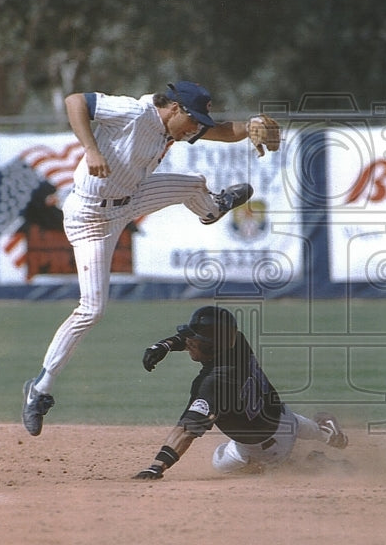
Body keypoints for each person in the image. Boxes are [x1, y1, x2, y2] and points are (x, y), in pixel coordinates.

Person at [22, 81, 281, 436]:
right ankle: (40, 390)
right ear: (174, 108)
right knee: (92, 309)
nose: (195, 128)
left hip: (131, 200)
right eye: (192, 119)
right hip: (90, 219)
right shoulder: (135, 112)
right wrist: (90, 149)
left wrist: (251, 125)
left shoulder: (177, 126)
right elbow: (75, 101)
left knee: (193, 184)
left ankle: (212, 209)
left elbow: (222, 131)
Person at [133, 305, 348, 479]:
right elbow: (204, 338)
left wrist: (156, 466)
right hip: (285, 417)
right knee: (284, 421)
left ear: (210, 348)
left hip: (265, 450)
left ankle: (310, 463)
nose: (188, 343)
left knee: (220, 462)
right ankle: (324, 432)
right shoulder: (237, 343)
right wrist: (166, 345)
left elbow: (187, 431)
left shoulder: (213, 384)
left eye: (193, 342)